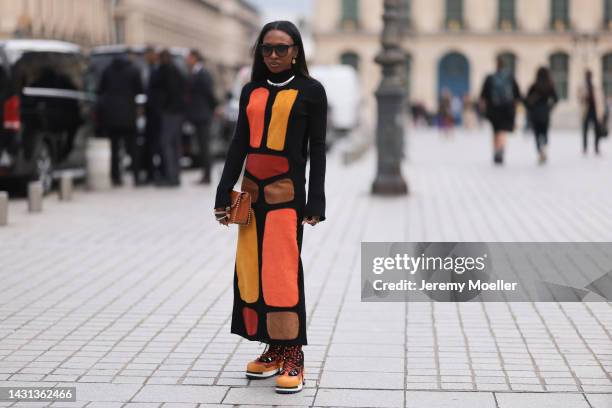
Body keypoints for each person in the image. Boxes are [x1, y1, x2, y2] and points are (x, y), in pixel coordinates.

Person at [213, 20, 327, 394]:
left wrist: (316, 199)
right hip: (251, 194)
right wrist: (222, 190)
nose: (274, 55)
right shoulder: (251, 91)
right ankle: (274, 346)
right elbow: (238, 144)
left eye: (281, 48)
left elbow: (318, 150)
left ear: (296, 51)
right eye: (267, 49)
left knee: (281, 270)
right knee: (251, 270)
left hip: (286, 195)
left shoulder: (311, 92)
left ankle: (294, 351)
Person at [97, 52, 144, 186]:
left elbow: (100, 90)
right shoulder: (133, 71)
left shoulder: (107, 71)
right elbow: (140, 90)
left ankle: (116, 177)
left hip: (112, 116)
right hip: (129, 115)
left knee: (114, 149)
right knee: (133, 148)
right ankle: (136, 176)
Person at [479, 56, 522, 164]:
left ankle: (496, 151)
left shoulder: (490, 77)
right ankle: (501, 149)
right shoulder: (510, 78)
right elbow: (518, 94)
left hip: (493, 108)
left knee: (495, 131)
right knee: (503, 131)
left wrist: (483, 108)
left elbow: (483, 95)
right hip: (507, 108)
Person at [185, 49, 218, 184]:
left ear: (195, 58)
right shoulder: (195, 72)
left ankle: (207, 176)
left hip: (203, 115)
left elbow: (209, 93)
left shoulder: (203, 73)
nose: (187, 60)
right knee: (202, 145)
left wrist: (213, 108)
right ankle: (205, 175)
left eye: (188, 57)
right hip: (199, 114)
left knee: (204, 146)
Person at [156, 49, 186, 186]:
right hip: (177, 112)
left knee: (167, 144)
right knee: (174, 145)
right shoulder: (176, 70)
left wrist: (162, 107)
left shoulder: (166, 71)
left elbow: (166, 93)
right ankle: (175, 176)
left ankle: (171, 176)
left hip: (170, 113)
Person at [525, 67, 558, 164]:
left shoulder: (534, 86)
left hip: (535, 112)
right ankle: (544, 147)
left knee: (537, 133)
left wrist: (531, 107)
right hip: (545, 112)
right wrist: (549, 107)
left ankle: (540, 152)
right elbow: (556, 99)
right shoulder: (550, 86)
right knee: (544, 132)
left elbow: (527, 101)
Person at [578, 69, 606, 155]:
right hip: (586, 110)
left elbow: (600, 99)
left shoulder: (595, 85)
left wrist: (602, 111)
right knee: (585, 130)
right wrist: (584, 97)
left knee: (597, 130)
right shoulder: (582, 86)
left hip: (595, 110)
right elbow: (579, 97)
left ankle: (596, 147)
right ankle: (585, 148)